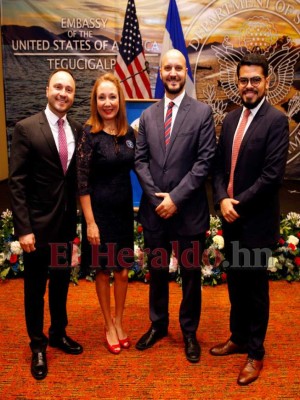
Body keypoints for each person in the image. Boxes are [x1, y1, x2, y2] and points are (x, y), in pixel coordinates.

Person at [211, 53, 289, 385]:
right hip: (231, 222)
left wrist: (235, 203)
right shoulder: (230, 120)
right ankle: (238, 336)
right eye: (244, 80)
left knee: (255, 290)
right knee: (236, 284)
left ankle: (255, 353)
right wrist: (221, 199)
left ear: (267, 82)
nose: (249, 86)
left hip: (255, 224)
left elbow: (271, 176)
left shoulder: (276, 120)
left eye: (255, 79)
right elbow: (217, 169)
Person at [134, 49, 216, 363]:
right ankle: (158, 325)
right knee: (156, 271)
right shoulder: (149, 115)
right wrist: (158, 198)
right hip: (156, 213)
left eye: (178, 68)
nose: (172, 73)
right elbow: (140, 161)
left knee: (190, 274)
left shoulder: (202, 113)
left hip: (188, 213)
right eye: (167, 67)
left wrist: (175, 199)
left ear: (186, 73)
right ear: (161, 73)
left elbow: (204, 161)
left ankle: (189, 331)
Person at [9, 69, 83, 380]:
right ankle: (37, 345)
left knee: (62, 284)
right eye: (58, 87)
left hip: (65, 226)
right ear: (47, 90)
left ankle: (58, 333)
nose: (63, 93)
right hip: (36, 230)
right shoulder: (27, 129)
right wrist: (23, 229)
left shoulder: (77, 130)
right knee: (35, 289)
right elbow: (17, 184)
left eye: (68, 89)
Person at [77, 73, 135, 355]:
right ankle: (107, 325)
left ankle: (119, 321)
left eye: (112, 96)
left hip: (123, 213)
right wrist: (90, 223)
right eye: (102, 97)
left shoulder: (129, 134)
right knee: (102, 271)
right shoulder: (88, 134)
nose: (108, 102)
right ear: (95, 101)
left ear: (120, 100)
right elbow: (82, 181)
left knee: (122, 271)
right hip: (97, 215)